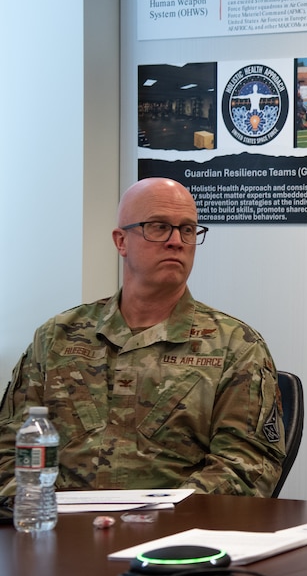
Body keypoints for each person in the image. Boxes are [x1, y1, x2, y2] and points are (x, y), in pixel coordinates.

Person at [0, 177, 285, 498]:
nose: (176, 240)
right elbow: (10, 447)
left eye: (188, 229)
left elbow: (247, 466)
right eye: (159, 227)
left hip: (175, 536)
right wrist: (37, 510)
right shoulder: (57, 337)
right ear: (121, 241)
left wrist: (159, 519)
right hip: (59, 529)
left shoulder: (235, 345)